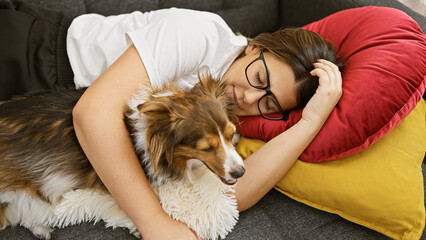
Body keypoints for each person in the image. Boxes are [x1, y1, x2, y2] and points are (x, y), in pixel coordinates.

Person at [1, 2, 342, 240]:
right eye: (259, 77)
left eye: (268, 102)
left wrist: (311, 122)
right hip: (34, 55)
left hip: (42, 129)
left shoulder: (228, 117)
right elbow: (91, 115)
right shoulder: (201, 33)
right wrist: (154, 222)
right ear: (256, 46)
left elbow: (232, 193)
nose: (250, 98)